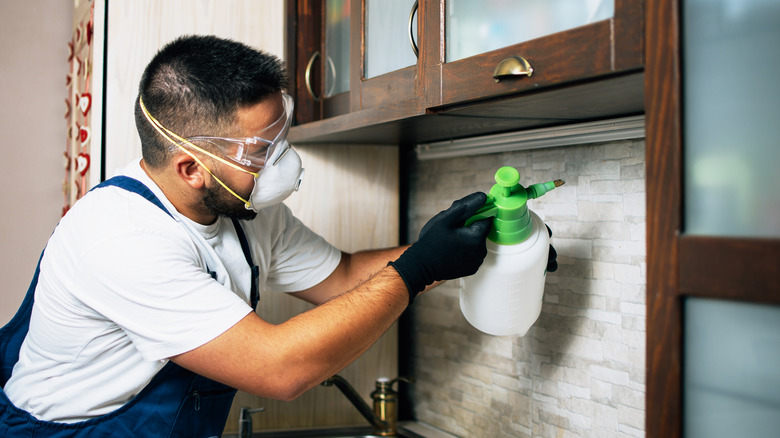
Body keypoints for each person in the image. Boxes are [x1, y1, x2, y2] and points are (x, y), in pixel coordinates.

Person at [0, 35, 555, 437]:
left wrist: (472, 246)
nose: (283, 163)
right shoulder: (120, 240)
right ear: (192, 168)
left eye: (279, 137)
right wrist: (422, 269)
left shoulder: (241, 205)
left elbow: (340, 278)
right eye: (263, 152)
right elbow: (278, 367)